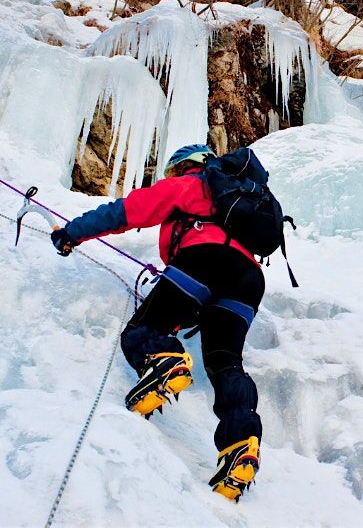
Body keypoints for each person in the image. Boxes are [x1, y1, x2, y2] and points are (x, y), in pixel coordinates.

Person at [50, 144, 264, 502]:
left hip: (205, 260)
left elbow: (126, 211)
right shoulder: (242, 202)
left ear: (188, 167)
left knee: (143, 331)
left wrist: (72, 233)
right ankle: (241, 443)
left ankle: (165, 361)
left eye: (173, 170)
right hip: (249, 282)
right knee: (226, 363)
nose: (170, 177)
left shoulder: (193, 184)